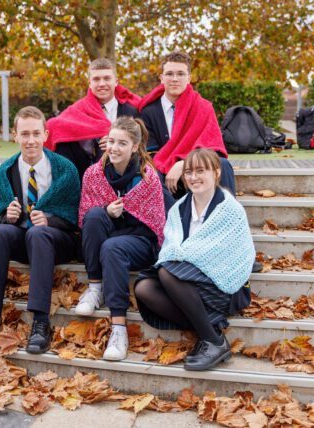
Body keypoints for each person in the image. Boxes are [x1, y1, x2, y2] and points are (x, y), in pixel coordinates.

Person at [134, 148, 255, 371]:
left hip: (222, 285)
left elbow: (239, 256)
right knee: (144, 288)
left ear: (216, 172)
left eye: (201, 171)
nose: (193, 177)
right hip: (185, 283)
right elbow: (170, 250)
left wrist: (186, 258)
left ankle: (214, 342)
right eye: (188, 172)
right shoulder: (179, 208)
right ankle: (209, 330)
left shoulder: (230, 209)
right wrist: (184, 259)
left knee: (166, 272)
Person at [0, 106, 80, 354]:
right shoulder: (4, 171)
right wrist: (6, 217)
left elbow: (75, 217)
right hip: (24, 237)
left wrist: (50, 220)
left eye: (35, 134)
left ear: (45, 134)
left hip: (58, 240)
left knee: (38, 232)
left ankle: (40, 322)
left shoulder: (65, 169)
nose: (30, 140)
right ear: (15, 136)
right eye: (24, 134)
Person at [76, 116, 165, 361]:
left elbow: (153, 224)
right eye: (111, 141)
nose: (114, 148)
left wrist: (124, 212)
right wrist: (107, 211)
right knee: (94, 217)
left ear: (135, 146)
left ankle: (119, 330)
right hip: (108, 239)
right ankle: (95, 286)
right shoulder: (94, 174)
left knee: (112, 247)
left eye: (122, 143)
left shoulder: (147, 176)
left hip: (140, 241)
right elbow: (85, 216)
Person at [138, 51, 236, 209]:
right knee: (149, 174)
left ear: (189, 78)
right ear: (161, 78)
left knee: (223, 165)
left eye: (180, 74)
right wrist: (170, 166)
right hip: (163, 173)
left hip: (197, 167)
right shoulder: (148, 111)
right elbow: (150, 152)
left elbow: (213, 149)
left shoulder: (203, 107)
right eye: (169, 74)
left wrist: (185, 164)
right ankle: (176, 224)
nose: (175, 79)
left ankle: (226, 218)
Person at [45, 58, 141, 180]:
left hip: (125, 173)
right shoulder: (78, 111)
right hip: (84, 174)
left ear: (116, 82)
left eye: (107, 78)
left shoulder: (131, 111)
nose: (101, 84)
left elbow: (141, 145)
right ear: (89, 83)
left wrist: (114, 143)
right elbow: (56, 127)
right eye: (96, 79)